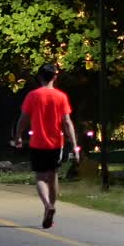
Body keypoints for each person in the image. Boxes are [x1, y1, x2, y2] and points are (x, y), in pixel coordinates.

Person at [15, 64, 78, 229]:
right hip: (56, 143)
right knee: (53, 177)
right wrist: (74, 144)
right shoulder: (61, 97)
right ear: (55, 77)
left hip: (38, 143)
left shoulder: (32, 96)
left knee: (40, 178)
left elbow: (23, 119)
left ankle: (48, 206)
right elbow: (67, 122)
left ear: (39, 77)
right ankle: (50, 207)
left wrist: (18, 136)